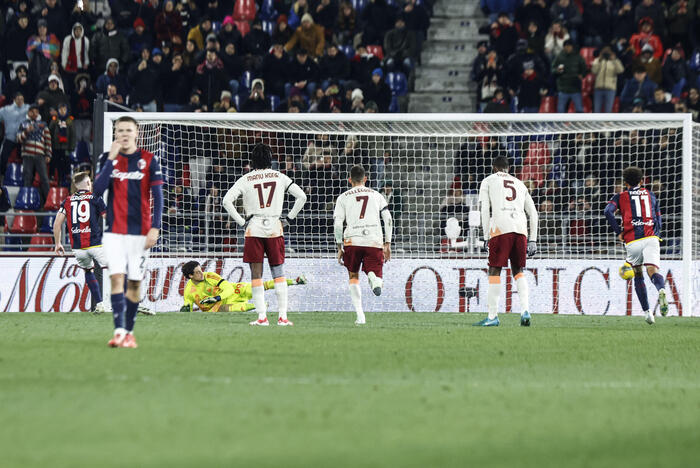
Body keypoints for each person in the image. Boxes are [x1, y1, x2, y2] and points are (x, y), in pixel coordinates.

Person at [93, 116, 164, 348]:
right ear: (115, 133)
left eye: (128, 130)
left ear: (136, 133)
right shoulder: (107, 158)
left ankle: (130, 332)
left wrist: (155, 227)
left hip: (140, 233)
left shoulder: (149, 160)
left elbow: (158, 198)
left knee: (134, 283)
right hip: (114, 232)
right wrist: (111, 161)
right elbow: (97, 191)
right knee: (116, 280)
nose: (123, 134)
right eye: (119, 130)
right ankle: (119, 331)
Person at [222, 143, 307, 326]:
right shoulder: (280, 176)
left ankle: (262, 317)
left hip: (254, 227)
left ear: (252, 161)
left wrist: (242, 222)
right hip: (275, 226)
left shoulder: (246, 179)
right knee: (278, 272)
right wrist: (289, 218)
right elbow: (302, 197)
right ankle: (283, 317)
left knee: (256, 274)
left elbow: (226, 201)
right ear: (271, 159)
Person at [475, 156, 538, 327]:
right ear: (508, 169)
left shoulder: (488, 181)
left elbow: (484, 210)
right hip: (521, 230)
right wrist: (533, 239)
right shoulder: (520, 183)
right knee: (518, 271)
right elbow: (533, 213)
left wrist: (487, 235)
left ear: (494, 168)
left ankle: (492, 316)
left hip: (500, 229)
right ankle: (525, 311)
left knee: (494, 270)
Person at [604, 166, 668, 323]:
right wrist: (656, 234)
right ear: (642, 181)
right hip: (651, 237)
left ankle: (647, 313)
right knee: (652, 270)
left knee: (638, 274)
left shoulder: (620, 196)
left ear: (625, 183)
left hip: (632, 240)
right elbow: (658, 218)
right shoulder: (651, 194)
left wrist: (618, 231)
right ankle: (661, 289)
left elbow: (607, 211)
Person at [333, 165, 393, 325]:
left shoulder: (343, 197)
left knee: (353, 276)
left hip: (352, 241)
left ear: (349, 180)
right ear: (365, 179)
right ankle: (373, 277)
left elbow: (338, 224)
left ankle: (360, 316)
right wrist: (387, 243)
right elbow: (388, 219)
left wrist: (339, 246)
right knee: (376, 273)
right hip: (373, 240)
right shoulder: (377, 195)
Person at [53, 172, 107, 314]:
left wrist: (57, 243)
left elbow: (57, 223)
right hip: (95, 245)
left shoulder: (67, 201)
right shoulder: (95, 198)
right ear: (88, 183)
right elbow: (108, 217)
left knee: (88, 270)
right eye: (90, 181)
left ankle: (100, 304)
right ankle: (130, 300)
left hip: (78, 248)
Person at [179, 261, 308, 312]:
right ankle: (258, 306)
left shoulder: (210, 276)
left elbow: (228, 288)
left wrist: (216, 298)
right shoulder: (189, 291)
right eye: (197, 272)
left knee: (261, 286)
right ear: (190, 276)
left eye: (201, 270)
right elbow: (187, 307)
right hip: (221, 305)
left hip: (236, 290)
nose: (202, 273)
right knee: (220, 310)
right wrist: (185, 309)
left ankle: (295, 281)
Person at [17, 103, 52, 205]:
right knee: (27, 178)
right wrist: (26, 131)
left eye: (36, 111)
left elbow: (48, 140)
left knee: (44, 178)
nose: (35, 113)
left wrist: (48, 154)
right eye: (32, 111)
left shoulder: (43, 124)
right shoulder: (23, 124)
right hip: (27, 155)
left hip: (40, 155)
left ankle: (49, 202)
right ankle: (25, 200)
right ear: (29, 112)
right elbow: (18, 139)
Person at [0, 93, 30, 176]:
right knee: (3, 158)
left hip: (23, 139)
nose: (20, 101)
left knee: (27, 159)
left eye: (22, 99)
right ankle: (2, 176)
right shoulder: (6, 110)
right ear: (14, 100)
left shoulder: (28, 108)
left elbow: (37, 116)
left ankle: (26, 178)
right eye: (18, 99)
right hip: (10, 138)